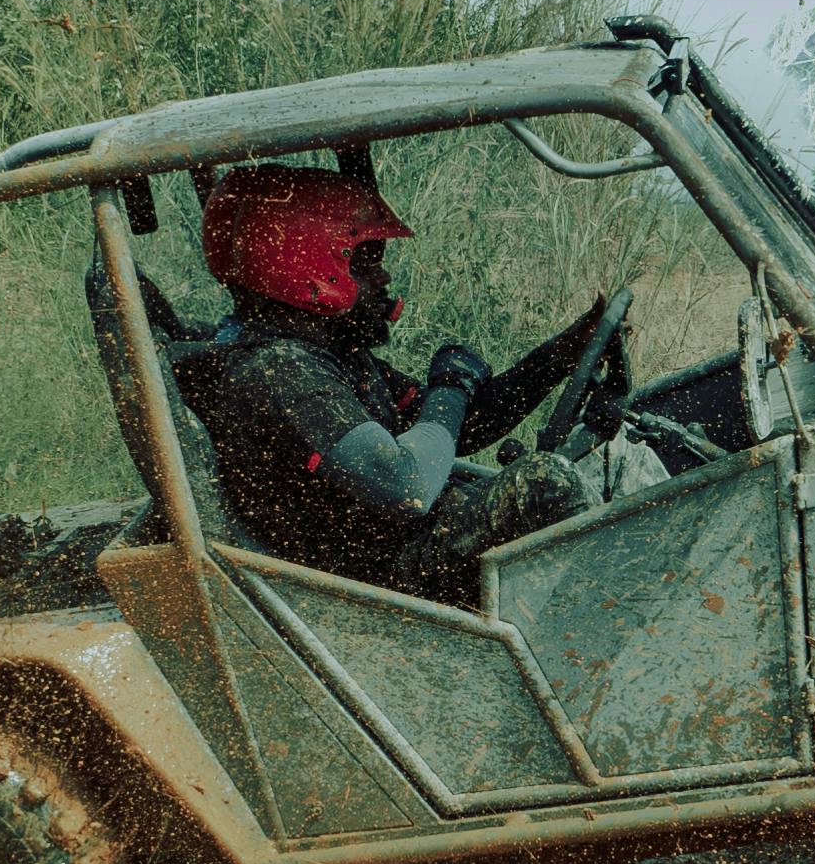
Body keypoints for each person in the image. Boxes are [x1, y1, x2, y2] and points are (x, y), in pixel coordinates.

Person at [176, 154, 625, 602]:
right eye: (365, 263)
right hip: (371, 588)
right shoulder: (281, 372)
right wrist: (451, 387)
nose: (384, 276)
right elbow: (406, 485)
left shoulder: (328, 354)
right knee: (547, 481)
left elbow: (453, 432)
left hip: (397, 552)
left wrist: (567, 350)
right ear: (308, 268)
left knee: (605, 469)